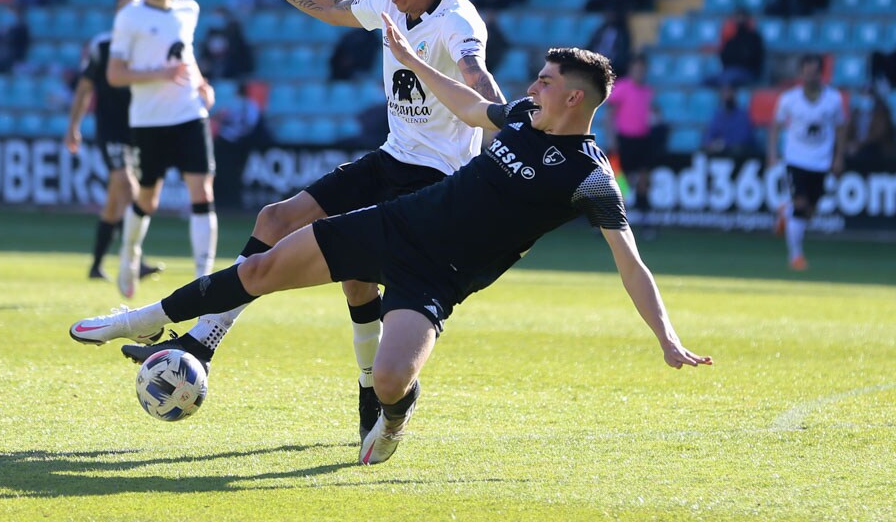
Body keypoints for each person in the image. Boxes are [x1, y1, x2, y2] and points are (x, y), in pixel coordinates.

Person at [70, 43, 711, 466]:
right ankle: (140, 319)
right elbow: (466, 104)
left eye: (544, 83)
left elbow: (632, 264)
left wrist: (667, 335)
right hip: (396, 223)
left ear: (575, 98)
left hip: (438, 276)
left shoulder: (591, 176)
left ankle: (396, 415)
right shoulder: (520, 116)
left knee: (388, 379)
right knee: (260, 267)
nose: (533, 87)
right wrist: (410, 58)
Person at [114, 0, 506, 446]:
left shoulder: (457, 20)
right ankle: (203, 342)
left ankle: (372, 391)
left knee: (359, 280)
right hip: (392, 158)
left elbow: (474, 73)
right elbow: (334, 6)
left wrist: (509, 121)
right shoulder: (391, 4)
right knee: (275, 220)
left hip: (435, 182)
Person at [105, 0, 217, 299]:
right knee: (148, 199)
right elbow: (115, 74)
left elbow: (185, 52)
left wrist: (201, 83)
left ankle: (206, 280)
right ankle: (129, 255)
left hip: (188, 113)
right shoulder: (130, 17)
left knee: (203, 192)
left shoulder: (189, 9)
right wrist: (160, 73)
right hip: (150, 121)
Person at [66, 0, 164, 282]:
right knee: (129, 187)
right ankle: (135, 259)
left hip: (139, 132)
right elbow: (84, 89)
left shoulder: (151, 45)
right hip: (111, 132)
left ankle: (96, 266)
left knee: (114, 200)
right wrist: (74, 126)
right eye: (123, 8)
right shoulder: (102, 46)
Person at [768, 54, 846, 271]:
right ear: (801, 73)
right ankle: (796, 256)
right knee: (801, 205)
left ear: (821, 73)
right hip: (796, 159)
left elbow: (841, 127)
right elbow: (775, 126)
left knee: (809, 211)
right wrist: (773, 154)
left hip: (820, 162)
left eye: (814, 72)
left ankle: (786, 212)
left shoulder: (833, 99)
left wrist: (838, 157)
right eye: (807, 72)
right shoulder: (789, 99)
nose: (811, 76)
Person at [603, 56, 662, 228]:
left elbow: (653, 114)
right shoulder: (621, 88)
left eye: (642, 69)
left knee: (644, 180)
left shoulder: (648, 91)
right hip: (624, 140)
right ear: (631, 69)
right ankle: (612, 221)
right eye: (636, 68)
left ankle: (645, 221)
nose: (639, 72)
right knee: (622, 183)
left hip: (643, 140)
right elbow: (609, 116)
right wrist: (612, 139)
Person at [707, 9, 765, 87]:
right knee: (706, 81)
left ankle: (728, 99)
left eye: (741, 17)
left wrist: (737, 58)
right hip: (729, 70)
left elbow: (753, 58)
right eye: (737, 17)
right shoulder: (731, 38)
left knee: (727, 79)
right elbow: (724, 56)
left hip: (747, 71)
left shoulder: (754, 38)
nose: (739, 20)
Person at [197, 8, 254, 80]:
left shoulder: (238, 44)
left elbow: (246, 68)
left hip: (233, 81)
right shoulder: (208, 39)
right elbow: (204, 67)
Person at [846, 87, 896, 170]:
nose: (865, 98)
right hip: (858, 149)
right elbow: (849, 132)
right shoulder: (856, 113)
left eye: (868, 95)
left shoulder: (881, 112)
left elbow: (878, 135)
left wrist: (859, 145)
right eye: (863, 95)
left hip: (876, 150)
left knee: (867, 152)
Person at [702, 86, 757, 156]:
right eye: (724, 93)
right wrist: (710, 143)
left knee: (737, 149)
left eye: (729, 93)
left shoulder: (743, 115)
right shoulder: (718, 115)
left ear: (734, 95)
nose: (727, 96)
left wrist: (724, 144)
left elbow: (744, 137)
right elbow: (709, 133)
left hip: (736, 151)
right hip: (719, 150)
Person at [586, 7, 632, 78]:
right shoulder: (601, 30)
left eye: (612, 14)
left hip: (612, 68)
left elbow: (622, 56)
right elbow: (591, 46)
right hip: (595, 64)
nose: (610, 16)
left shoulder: (622, 33)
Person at [0, 5, 31, 73]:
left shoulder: (22, 27)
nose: (10, 14)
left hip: (15, 57)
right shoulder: (2, 27)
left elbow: (18, 40)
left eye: (13, 12)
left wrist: (8, 32)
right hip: (0, 57)